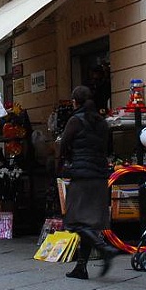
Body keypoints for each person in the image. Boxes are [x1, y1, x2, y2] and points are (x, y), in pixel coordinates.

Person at [59, 85, 120, 279]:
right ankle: (81, 267)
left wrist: (61, 167)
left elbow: (63, 145)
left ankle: (104, 249)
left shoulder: (76, 121)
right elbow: (108, 147)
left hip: (82, 176)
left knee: (74, 221)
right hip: (100, 176)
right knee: (89, 223)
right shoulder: (102, 122)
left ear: (75, 101)